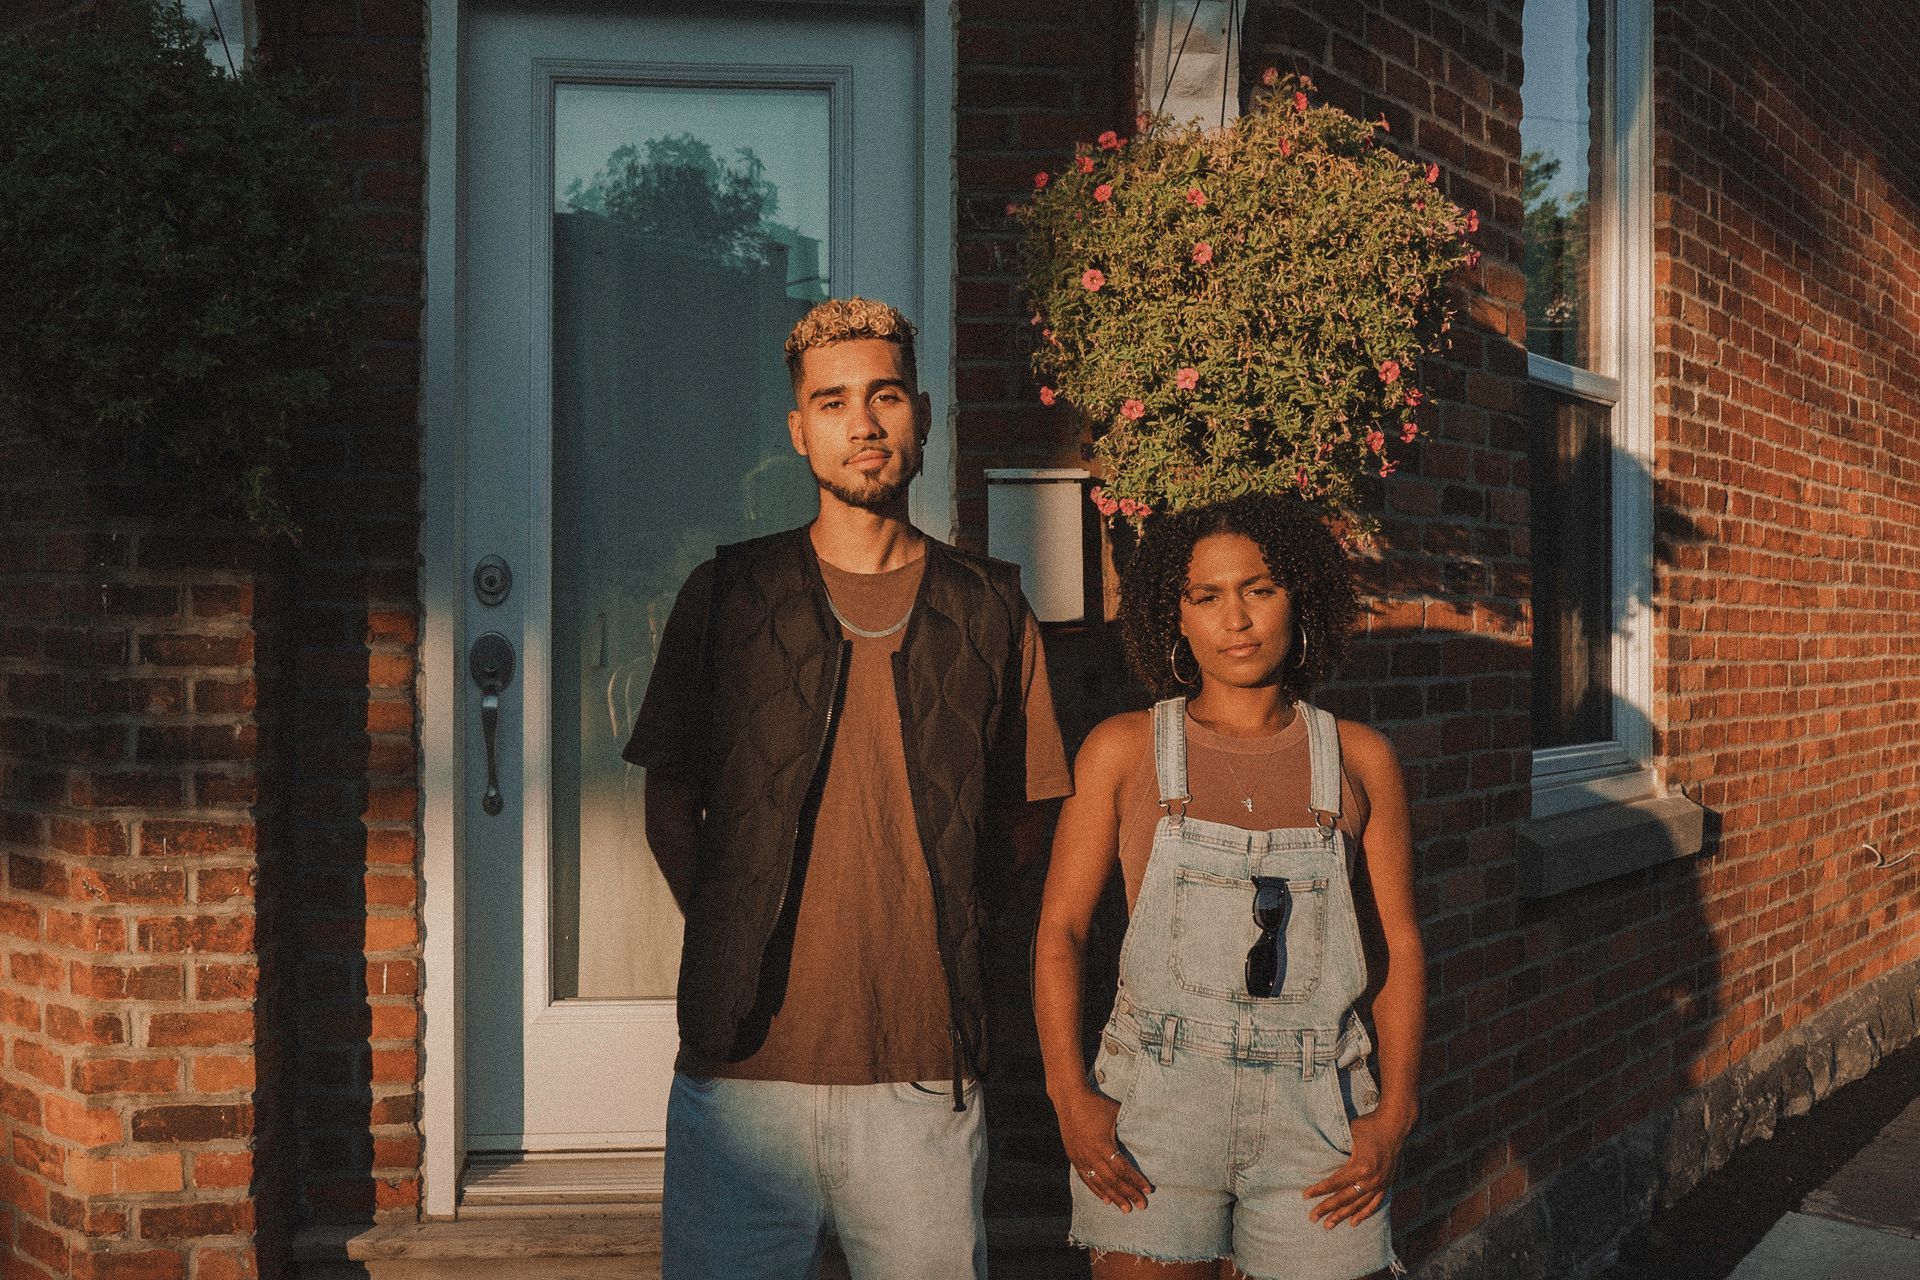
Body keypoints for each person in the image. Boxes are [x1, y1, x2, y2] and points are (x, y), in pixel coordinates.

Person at [626, 297, 1073, 1280]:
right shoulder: (728, 596)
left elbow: (1028, 817)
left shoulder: (991, 608)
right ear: (800, 430)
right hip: (742, 1081)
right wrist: (732, 927)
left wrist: (950, 932)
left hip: (925, 1072)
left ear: (921, 412)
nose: (862, 423)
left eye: (884, 396)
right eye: (832, 403)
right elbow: (669, 805)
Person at [1033, 493, 1425, 1280]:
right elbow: (1061, 933)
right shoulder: (1122, 750)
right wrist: (1068, 1096)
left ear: (1298, 600)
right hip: (1156, 1115)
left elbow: (1400, 948)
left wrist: (1396, 1113)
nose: (1236, 620)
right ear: (1175, 617)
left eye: (1259, 589)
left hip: (1318, 1115)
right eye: (1206, 596)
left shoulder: (1361, 759)